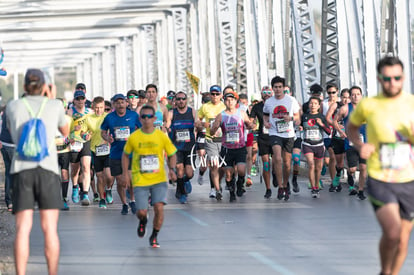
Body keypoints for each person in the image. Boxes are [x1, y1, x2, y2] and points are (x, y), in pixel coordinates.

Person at [347, 56, 414, 275]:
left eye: (397, 78)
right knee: (393, 232)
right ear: (379, 79)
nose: (392, 83)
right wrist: (359, 145)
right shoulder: (369, 104)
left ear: (403, 78)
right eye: (387, 79)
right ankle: (386, 271)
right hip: (380, 177)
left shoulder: (411, 103)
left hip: (408, 179)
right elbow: (352, 127)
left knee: (403, 241)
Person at [7, 69, 69, 275]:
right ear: (44, 86)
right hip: (48, 170)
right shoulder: (55, 105)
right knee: (49, 229)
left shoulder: (13, 106)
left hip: (21, 170)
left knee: (22, 228)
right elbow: (65, 132)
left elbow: (12, 131)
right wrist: (50, 98)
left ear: (24, 87)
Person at [122, 105, 177, 248]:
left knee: (159, 207)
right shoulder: (134, 137)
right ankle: (143, 221)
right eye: (143, 117)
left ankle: (154, 235)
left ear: (154, 118)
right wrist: (125, 175)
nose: (146, 120)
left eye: (149, 117)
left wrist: (172, 169)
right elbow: (125, 155)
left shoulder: (160, 136)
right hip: (140, 180)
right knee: (141, 212)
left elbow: (172, 154)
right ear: (140, 119)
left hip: (158, 179)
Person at [101, 93, 141, 215]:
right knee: (120, 181)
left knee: (130, 180)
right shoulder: (109, 117)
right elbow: (103, 132)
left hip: (130, 153)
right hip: (116, 153)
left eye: (122, 102)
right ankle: (124, 203)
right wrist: (107, 138)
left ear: (126, 103)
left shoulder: (133, 115)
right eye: (117, 103)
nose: (120, 104)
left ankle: (132, 200)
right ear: (114, 104)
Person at [211, 89, 254, 202]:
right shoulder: (221, 115)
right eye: (227, 100)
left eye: (232, 100)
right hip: (227, 149)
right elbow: (212, 131)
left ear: (236, 101)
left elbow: (249, 124)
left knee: (241, 170)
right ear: (224, 101)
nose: (230, 102)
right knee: (229, 173)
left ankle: (240, 183)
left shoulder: (241, 113)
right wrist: (214, 128)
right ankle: (231, 191)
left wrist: (250, 125)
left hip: (239, 147)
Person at [263, 76, 300, 201]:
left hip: (288, 134)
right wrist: (266, 123)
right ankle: (280, 187)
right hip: (274, 132)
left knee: (287, 163)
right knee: (277, 158)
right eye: (275, 87)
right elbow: (265, 115)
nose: (278, 90)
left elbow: (298, 118)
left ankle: (285, 184)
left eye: (280, 87)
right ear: (272, 88)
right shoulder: (269, 102)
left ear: (284, 88)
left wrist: (291, 119)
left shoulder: (291, 100)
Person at [335, 86, 367, 199]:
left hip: (364, 143)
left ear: (361, 96)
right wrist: (341, 131)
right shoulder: (345, 108)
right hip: (351, 143)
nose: (355, 96)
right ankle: (350, 174)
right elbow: (335, 120)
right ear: (350, 96)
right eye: (353, 94)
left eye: (358, 94)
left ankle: (361, 190)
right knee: (353, 168)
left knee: (363, 168)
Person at [195, 85, 226, 200]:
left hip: (223, 140)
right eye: (212, 94)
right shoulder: (204, 107)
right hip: (210, 139)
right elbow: (197, 122)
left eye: (217, 94)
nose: (214, 96)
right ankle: (216, 189)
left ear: (221, 95)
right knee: (214, 164)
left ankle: (218, 182)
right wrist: (203, 124)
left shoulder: (224, 106)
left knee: (222, 168)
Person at [83, 96, 113, 208]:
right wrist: (86, 135)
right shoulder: (88, 118)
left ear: (104, 107)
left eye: (101, 107)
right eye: (96, 108)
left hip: (108, 149)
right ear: (93, 107)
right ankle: (102, 199)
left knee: (109, 176)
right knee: (100, 176)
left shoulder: (109, 117)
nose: (99, 110)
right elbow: (83, 133)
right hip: (95, 150)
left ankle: (108, 189)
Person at [168, 91, 197, 203]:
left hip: (190, 147)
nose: (181, 101)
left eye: (183, 99)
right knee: (180, 170)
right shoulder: (172, 113)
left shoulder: (192, 112)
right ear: (175, 101)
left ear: (186, 100)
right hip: (177, 147)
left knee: (189, 174)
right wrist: (167, 129)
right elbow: (167, 125)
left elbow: (198, 123)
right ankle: (182, 193)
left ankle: (182, 183)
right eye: (178, 99)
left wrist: (199, 125)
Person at [299, 96, 331, 198]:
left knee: (318, 168)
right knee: (311, 165)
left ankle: (317, 185)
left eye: (315, 103)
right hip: (308, 144)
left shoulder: (321, 117)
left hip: (319, 145)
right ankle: (313, 187)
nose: (313, 105)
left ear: (318, 106)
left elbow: (329, 131)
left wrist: (321, 124)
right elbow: (299, 125)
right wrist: (300, 127)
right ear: (308, 105)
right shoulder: (304, 116)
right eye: (311, 103)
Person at [249, 86, 278, 198]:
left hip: (275, 136)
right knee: (266, 164)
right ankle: (268, 188)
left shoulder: (276, 104)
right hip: (263, 138)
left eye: (268, 93)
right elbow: (251, 120)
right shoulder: (257, 106)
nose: (266, 95)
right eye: (264, 93)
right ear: (261, 95)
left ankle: (275, 174)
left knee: (276, 161)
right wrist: (250, 125)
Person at [67, 89, 93, 205]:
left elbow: (93, 127)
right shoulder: (69, 112)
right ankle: (74, 187)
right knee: (75, 170)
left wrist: (89, 135)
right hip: (74, 142)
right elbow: (64, 128)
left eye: (82, 98)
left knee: (86, 167)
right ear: (74, 101)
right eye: (77, 99)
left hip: (85, 141)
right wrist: (73, 129)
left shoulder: (90, 112)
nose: (80, 101)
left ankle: (86, 194)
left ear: (85, 99)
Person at [328, 88, 350, 192]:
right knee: (340, 163)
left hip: (349, 137)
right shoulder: (336, 105)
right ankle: (337, 177)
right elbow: (328, 118)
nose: (346, 100)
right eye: (344, 97)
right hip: (337, 137)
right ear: (340, 97)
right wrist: (337, 126)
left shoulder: (353, 107)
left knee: (350, 162)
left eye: (348, 97)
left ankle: (351, 186)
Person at [0, 106, 15, 211]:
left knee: (9, 173)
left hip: (4, 145)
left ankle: (9, 202)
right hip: (12, 145)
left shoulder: (4, 113)